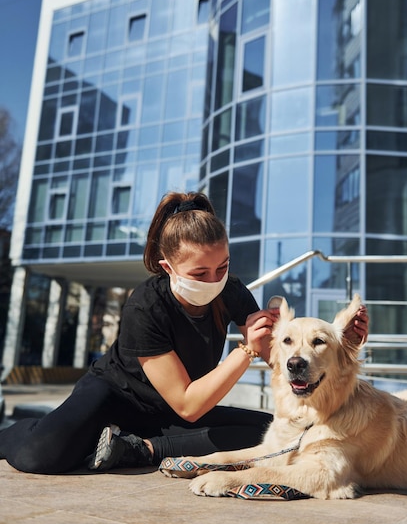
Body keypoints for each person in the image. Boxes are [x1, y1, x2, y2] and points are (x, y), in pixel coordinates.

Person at [0, 192, 369, 474]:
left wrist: (346, 339)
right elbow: (188, 404)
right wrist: (246, 351)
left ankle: (139, 448)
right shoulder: (145, 305)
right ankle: (18, 432)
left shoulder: (231, 291)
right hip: (116, 397)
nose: (214, 280)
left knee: (269, 433)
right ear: (168, 267)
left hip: (169, 416)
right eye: (200, 273)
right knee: (40, 455)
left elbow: (283, 356)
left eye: (222, 267)